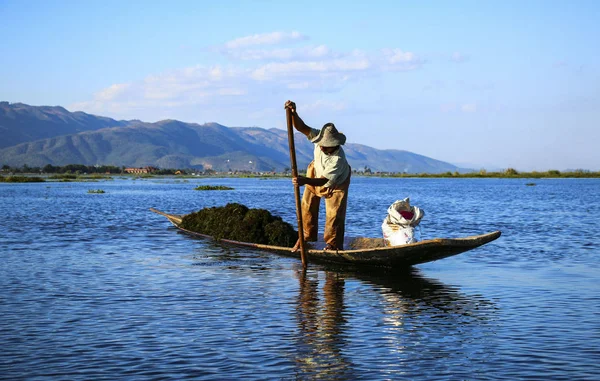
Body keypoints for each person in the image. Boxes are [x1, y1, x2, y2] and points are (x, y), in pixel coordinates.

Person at [284, 100, 351, 251]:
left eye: (325, 146)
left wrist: (303, 180)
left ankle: (332, 245)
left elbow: (323, 181)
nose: (320, 146)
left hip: (336, 183)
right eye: (320, 143)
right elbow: (301, 127)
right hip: (315, 174)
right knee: (306, 209)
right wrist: (294, 113)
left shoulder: (337, 160)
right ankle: (305, 238)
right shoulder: (318, 138)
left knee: (334, 216)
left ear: (334, 145)